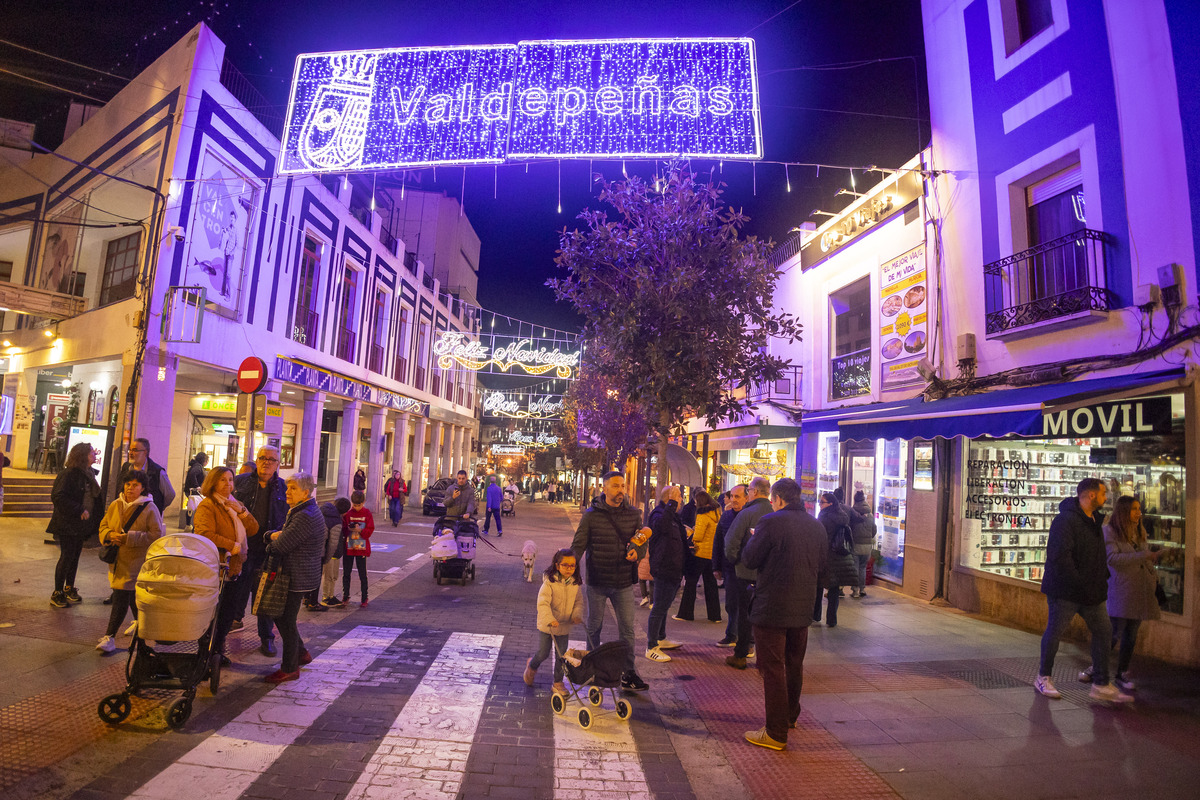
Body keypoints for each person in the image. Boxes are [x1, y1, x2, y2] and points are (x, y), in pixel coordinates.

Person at [740, 477, 827, 751]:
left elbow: (750, 559)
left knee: (773, 667)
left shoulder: (770, 522)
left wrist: (755, 539)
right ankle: (789, 717)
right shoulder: (816, 525)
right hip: (802, 608)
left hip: (772, 607)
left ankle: (776, 732)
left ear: (776, 499)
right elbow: (823, 566)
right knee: (794, 663)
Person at [1036, 478, 1132, 703]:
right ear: (1090, 496)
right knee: (1055, 632)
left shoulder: (1093, 520)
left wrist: (1101, 580)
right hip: (1066, 591)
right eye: (1102, 494)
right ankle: (1043, 676)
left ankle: (1100, 683)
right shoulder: (1066, 520)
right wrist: (1079, 582)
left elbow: (1097, 556)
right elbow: (1060, 557)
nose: (1105, 498)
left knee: (1104, 631)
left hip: (1092, 592)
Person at [571, 470, 651, 692]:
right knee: (594, 628)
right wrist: (567, 566)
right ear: (604, 489)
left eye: (623, 486)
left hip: (623, 581)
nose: (621, 491)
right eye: (616, 486)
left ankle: (629, 673)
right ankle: (593, 670)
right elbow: (578, 545)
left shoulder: (634, 514)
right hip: (597, 581)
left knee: (627, 630)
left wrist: (638, 553)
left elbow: (641, 542)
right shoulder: (591, 515)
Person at [262, 472, 326, 684]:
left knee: (285, 619)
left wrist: (269, 539)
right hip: (300, 574)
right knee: (283, 617)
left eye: (293, 489)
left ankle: (290, 668)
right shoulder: (302, 510)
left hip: (296, 576)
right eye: (287, 487)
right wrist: (275, 535)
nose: (287, 492)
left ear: (305, 492)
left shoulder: (304, 515)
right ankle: (300, 653)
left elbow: (281, 545)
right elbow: (284, 535)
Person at [1093, 495, 1161, 692]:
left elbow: (1143, 557)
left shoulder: (1139, 531)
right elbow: (1112, 558)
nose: (1139, 512)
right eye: (1134, 509)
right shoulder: (1110, 532)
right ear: (1124, 511)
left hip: (1139, 589)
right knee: (1114, 632)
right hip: (1121, 589)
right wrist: (1142, 555)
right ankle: (1097, 669)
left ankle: (1121, 673)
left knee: (1131, 634)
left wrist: (1152, 568)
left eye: (1139, 508)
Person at [194, 465, 259, 664]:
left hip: (236, 567)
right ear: (213, 482)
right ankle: (207, 653)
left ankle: (218, 650)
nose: (227, 484)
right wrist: (232, 545)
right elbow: (204, 534)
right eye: (222, 480)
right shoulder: (208, 505)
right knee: (214, 613)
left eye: (230, 480)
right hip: (217, 567)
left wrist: (242, 512)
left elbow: (254, 528)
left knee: (228, 612)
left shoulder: (234, 504)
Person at [95, 469, 164, 653]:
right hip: (117, 562)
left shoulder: (149, 508)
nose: (130, 488)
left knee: (120, 598)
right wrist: (110, 535)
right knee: (133, 597)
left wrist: (129, 538)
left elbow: (156, 535)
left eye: (135, 485)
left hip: (136, 563)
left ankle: (109, 637)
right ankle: (142, 628)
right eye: (128, 484)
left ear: (142, 488)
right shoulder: (116, 504)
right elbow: (103, 525)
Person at [233, 446, 288, 656]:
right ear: (256, 460)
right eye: (262, 458)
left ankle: (267, 638)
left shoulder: (283, 487)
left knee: (264, 595)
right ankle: (227, 629)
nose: (266, 462)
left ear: (277, 464)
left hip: (268, 549)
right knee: (235, 590)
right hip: (242, 547)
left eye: (271, 459)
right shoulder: (241, 482)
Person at [723, 477, 773, 668]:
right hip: (768, 575)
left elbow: (731, 543)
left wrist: (737, 560)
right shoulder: (774, 512)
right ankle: (764, 656)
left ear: (754, 492)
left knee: (744, 616)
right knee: (765, 617)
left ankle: (741, 654)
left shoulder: (746, 514)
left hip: (745, 574)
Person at [47, 442, 103, 608]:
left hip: (80, 524)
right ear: (82, 455)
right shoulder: (69, 474)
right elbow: (58, 496)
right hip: (67, 523)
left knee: (74, 556)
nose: (95, 455)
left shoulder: (87, 474)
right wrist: (79, 509)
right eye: (92, 453)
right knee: (66, 556)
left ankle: (69, 588)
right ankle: (57, 592)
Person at [523, 548, 585, 695]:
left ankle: (558, 682)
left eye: (572, 565)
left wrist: (576, 615)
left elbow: (579, 602)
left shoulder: (575, 583)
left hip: (564, 626)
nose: (569, 568)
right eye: (565, 565)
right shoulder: (549, 582)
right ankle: (532, 666)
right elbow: (543, 602)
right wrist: (549, 619)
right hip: (548, 626)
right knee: (543, 653)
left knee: (561, 655)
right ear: (557, 565)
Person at [644, 485, 688, 662]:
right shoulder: (659, 514)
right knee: (659, 607)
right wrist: (670, 504)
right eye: (676, 497)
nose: (680, 500)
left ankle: (661, 638)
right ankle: (651, 646)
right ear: (667, 498)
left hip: (674, 568)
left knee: (664, 605)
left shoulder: (674, 516)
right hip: (663, 567)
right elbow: (660, 527)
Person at [814, 493, 860, 627]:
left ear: (830, 504)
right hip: (839, 556)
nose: (820, 504)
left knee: (818, 586)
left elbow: (820, 537)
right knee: (834, 588)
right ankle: (832, 619)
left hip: (825, 556)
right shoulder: (843, 516)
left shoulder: (824, 517)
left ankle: (816, 615)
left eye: (822, 502)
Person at [675, 490, 721, 623]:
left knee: (691, 582)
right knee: (711, 585)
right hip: (711, 553)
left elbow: (699, 536)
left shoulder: (702, 515)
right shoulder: (716, 514)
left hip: (700, 553)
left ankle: (685, 613)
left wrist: (693, 532)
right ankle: (715, 615)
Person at [714, 485, 748, 647]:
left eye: (737, 497)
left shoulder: (749, 516)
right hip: (729, 567)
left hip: (746, 567)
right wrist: (716, 567)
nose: (733, 500)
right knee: (731, 603)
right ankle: (731, 634)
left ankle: (744, 638)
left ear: (746, 498)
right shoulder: (726, 516)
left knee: (744, 604)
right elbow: (718, 542)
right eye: (732, 496)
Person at [118, 438, 176, 515]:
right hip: (126, 514)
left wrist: (156, 507)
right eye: (130, 450)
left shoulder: (157, 472)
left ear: (145, 452)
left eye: (135, 450)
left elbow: (170, 495)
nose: (131, 453)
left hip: (147, 517)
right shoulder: (126, 468)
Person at [318, 497, 352, 608]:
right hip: (331, 553)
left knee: (332, 576)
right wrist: (329, 555)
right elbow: (333, 541)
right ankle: (326, 597)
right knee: (330, 576)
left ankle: (330, 596)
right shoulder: (336, 519)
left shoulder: (328, 514)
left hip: (331, 552)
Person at [342, 490, 374, 607]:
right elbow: (344, 529)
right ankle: (346, 596)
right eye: (354, 505)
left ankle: (364, 597)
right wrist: (348, 529)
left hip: (361, 547)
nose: (356, 508)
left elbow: (370, 530)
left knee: (362, 574)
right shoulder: (349, 514)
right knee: (346, 573)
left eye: (358, 505)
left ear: (363, 502)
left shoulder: (367, 513)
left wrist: (361, 530)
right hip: (349, 547)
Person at [850, 490, 876, 598]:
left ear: (855, 500)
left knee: (855, 567)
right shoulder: (870, 514)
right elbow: (874, 529)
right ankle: (862, 589)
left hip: (856, 543)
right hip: (867, 545)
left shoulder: (853, 513)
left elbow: (849, 528)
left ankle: (855, 590)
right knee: (862, 567)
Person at [182, 453, 209, 526]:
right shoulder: (198, 467)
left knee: (191, 507)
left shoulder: (195, 466)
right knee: (195, 507)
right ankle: (193, 524)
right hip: (194, 491)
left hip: (191, 490)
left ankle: (189, 524)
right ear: (204, 460)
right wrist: (197, 486)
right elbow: (193, 474)